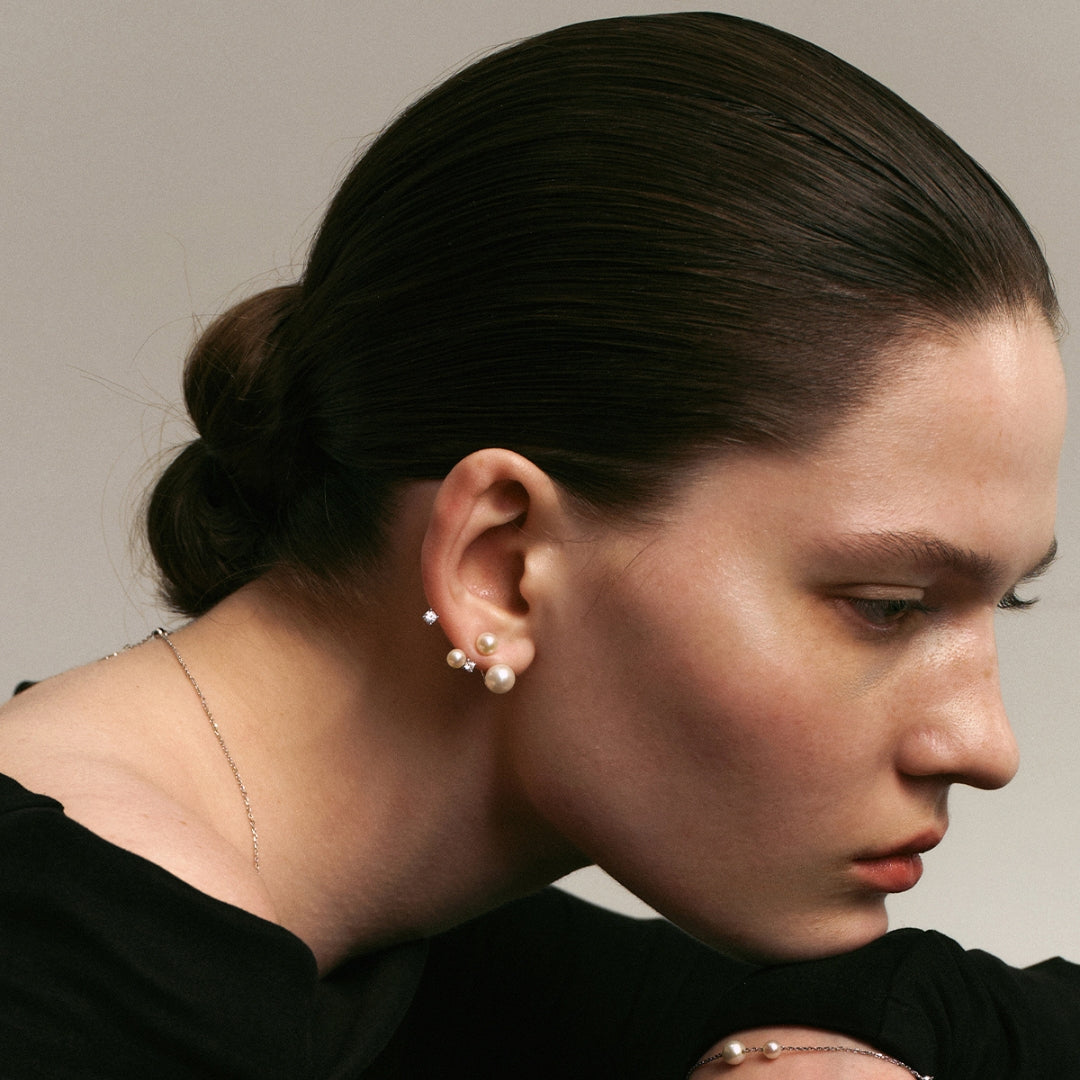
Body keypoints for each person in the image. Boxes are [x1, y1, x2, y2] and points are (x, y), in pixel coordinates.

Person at [1, 11, 1076, 1078]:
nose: (987, 747)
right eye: (887, 604)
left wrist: (830, 1041)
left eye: (1004, 601)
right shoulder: (67, 989)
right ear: (501, 568)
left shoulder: (389, 945)